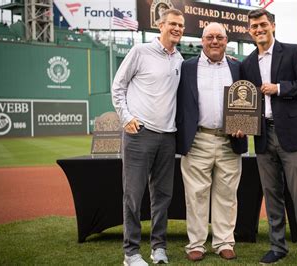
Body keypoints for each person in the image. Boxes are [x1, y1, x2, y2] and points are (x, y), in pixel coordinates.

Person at [240, 8, 297, 266]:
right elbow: (247, 102)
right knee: (272, 194)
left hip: (292, 134)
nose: (259, 30)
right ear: (249, 31)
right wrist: (242, 123)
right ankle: (278, 246)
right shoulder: (247, 63)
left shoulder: (293, 51)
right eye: (254, 27)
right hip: (263, 135)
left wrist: (279, 88)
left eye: (263, 25)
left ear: (272, 25)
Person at [111, 8, 185, 266]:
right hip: (139, 133)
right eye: (173, 24)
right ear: (160, 26)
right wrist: (126, 118)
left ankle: (158, 247)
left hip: (168, 137)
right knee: (133, 195)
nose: (177, 28)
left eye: (181, 25)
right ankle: (131, 253)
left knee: (162, 196)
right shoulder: (140, 51)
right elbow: (118, 85)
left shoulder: (179, 58)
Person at [175, 22, 247, 262]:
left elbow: (249, 101)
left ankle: (224, 241)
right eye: (210, 37)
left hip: (230, 140)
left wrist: (244, 126)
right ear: (202, 41)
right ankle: (196, 244)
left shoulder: (239, 67)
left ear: (226, 41)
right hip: (198, 139)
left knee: (227, 194)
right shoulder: (186, 67)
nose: (215, 41)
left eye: (220, 37)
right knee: (196, 195)